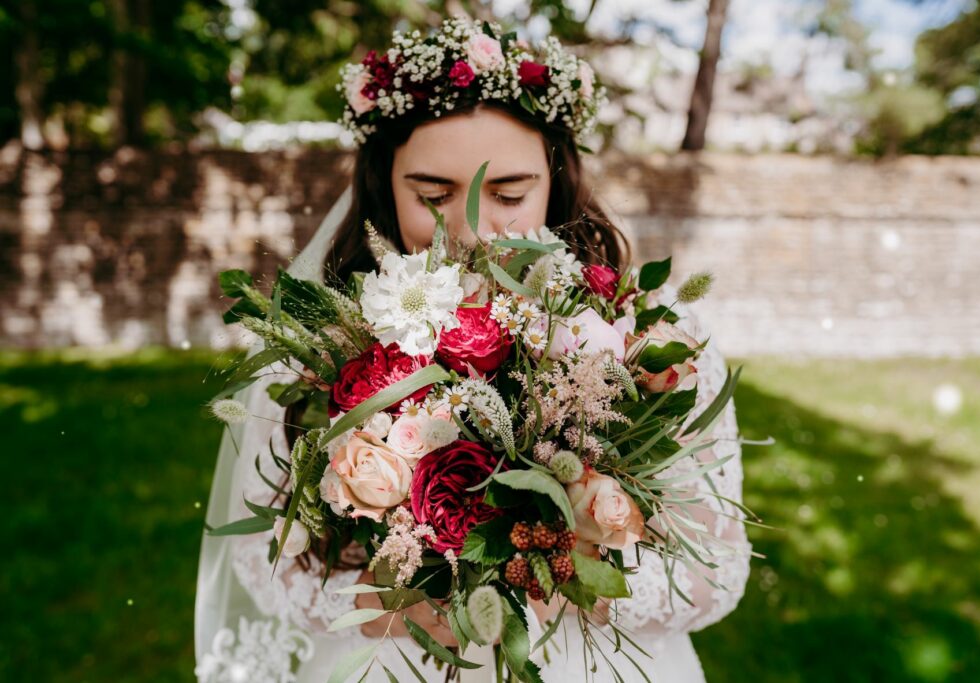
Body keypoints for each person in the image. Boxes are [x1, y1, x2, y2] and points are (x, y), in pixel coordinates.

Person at [195, 17, 751, 683]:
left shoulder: (657, 344)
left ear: (557, 181)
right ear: (381, 185)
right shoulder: (321, 349)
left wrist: (566, 572)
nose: (469, 228)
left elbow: (716, 572)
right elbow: (264, 562)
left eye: (510, 193)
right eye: (432, 195)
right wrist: (380, 598)